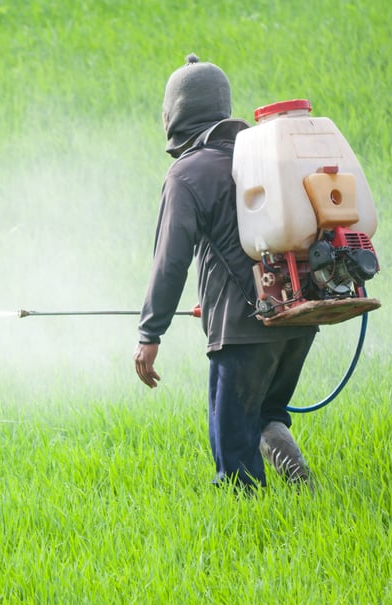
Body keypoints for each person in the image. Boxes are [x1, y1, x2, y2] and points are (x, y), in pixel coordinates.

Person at [133, 54, 317, 492]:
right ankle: (299, 480)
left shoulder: (188, 173)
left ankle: (249, 529)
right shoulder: (260, 157)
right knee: (266, 412)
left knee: (233, 458)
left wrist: (149, 334)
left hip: (242, 331)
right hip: (300, 316)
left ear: (175, 112)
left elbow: (170, 261)